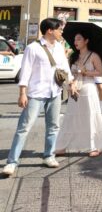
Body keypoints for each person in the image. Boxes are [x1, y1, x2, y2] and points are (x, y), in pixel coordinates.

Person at [2, 18, 74, 177]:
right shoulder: (33, 48)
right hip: (36, 94)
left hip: (54, 92)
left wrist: (71, 83)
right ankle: (11, 162)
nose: (61, 32)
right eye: (59, 29)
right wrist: (22, 93)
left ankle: (49, 155)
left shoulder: (59, 48)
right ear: (50, 30)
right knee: (24, 128)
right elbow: (25, 71)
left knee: (53, 126)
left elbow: (64, 68)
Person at [55, 32, 102, 157]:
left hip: (88, 89)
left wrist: (85, 72)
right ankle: (62, 146)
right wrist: (71, 82)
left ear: (86, 41)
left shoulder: (93, 56)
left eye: (79, 39)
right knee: (70, 117)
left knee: (90, 117)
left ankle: (94, 146)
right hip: (75, 90)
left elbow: (100, 72)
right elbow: (70, 73)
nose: (76, 42)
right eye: (75, 39)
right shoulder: (74, 56)